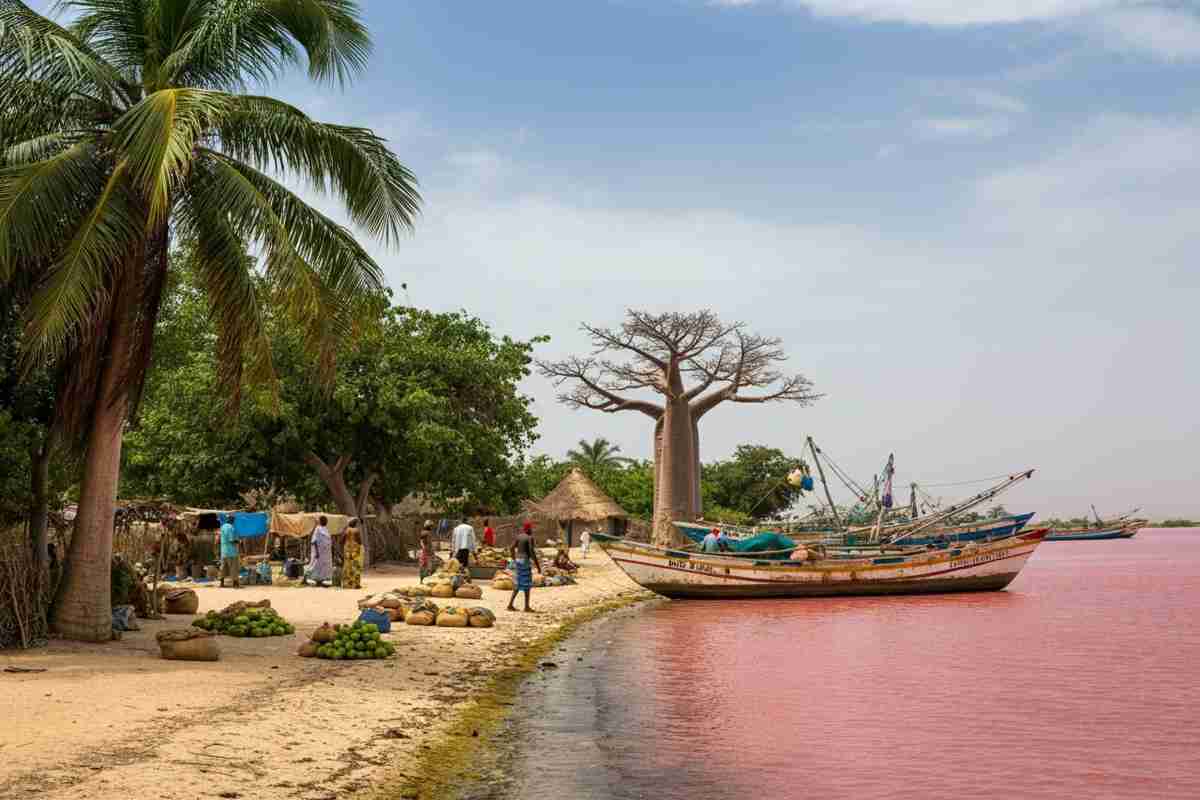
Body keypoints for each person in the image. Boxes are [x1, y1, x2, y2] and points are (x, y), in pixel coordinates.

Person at [507, 521, 542, 612]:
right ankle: (526, 606)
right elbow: (531, 551)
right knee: (527, 584)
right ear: (529, 529)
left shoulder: (519, 537)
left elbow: (511, 548)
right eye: (531, 528)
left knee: (518, 583)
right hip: (525, 561)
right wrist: (537, 565)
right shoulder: (530, 538)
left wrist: (514, 558)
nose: (532, 530)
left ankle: (510, 605)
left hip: (518, 560)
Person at [309, 515, 333, 587]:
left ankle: (322, 581)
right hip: (319, 552)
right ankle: (316, 581)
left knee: (324, 567)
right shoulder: (318, 529)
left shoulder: (326, 529)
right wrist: (316, 552)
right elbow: (314, 541)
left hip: (326, 553)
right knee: (316, 566)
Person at [342, 519, 364, 590]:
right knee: (356, 567)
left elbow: (341, 540)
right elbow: (359, 541)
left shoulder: (346, 530)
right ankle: (356, 584)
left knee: (347, 567)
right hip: (355, 551)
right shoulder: (356, 531)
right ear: (355, 524)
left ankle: (346, 584)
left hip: (347, 551)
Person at [219, 513, 240, 588]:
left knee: (223, 567)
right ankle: (235, 583)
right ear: (232, 520)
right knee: (233, 567)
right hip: (231, 552)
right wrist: (238, 541)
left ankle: (221, 583)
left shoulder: (222, 527)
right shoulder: (231, 528)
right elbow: (231, 540)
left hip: (223, 551)